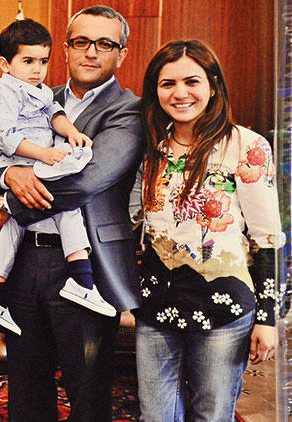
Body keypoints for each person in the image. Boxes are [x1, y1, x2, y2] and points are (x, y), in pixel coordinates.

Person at [0, 5, 143, 421]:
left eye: (104, 44)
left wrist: (9, 202)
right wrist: (9, 173)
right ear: (65, 49)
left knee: (87, 394)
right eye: (81, 41)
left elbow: (85, 181)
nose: (91, 52)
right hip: (25, 260)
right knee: (27, 389)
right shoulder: (34, 94)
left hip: (86, 266)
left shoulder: (129, 110)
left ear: (121, 54)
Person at [134, 39, 283, 421]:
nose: (180, 93)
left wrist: (268, 318)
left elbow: (268, 239)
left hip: (223, 308)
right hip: (156, 305)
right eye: (167, 83)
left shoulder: (246, 146)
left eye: (192, 81)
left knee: (211, 415)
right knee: (155, 416)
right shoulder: (151, 148)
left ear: (213, 86)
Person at [0, 19, 116, 337]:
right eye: (28, 61)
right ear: (5, 64)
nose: (37, 69)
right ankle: (82, 280)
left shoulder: (39, 90)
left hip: (36, 163)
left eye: (43, 61)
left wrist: (72, 132)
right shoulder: (4, 92)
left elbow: (55, 114)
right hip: (21, 159)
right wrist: (43, 155)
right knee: (68, 210)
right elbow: (5, 138)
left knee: (12, 228)